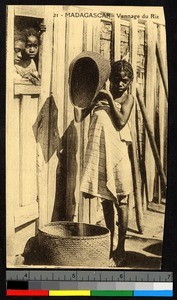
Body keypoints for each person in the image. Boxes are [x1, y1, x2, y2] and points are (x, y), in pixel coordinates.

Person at [75, 60, 134, 266]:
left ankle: (121, 248)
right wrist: (89, 96)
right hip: (103, 155)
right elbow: (79, 115)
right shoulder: (98, 97)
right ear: (109, 79)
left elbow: (120, 122)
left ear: (130, 82)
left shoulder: (128, 99)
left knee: (122, 201)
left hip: (119, 156)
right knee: (106, 201)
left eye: (124, 81)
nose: (119, 84)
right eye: (116, 79)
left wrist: (109, 98)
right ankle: (110, 244)